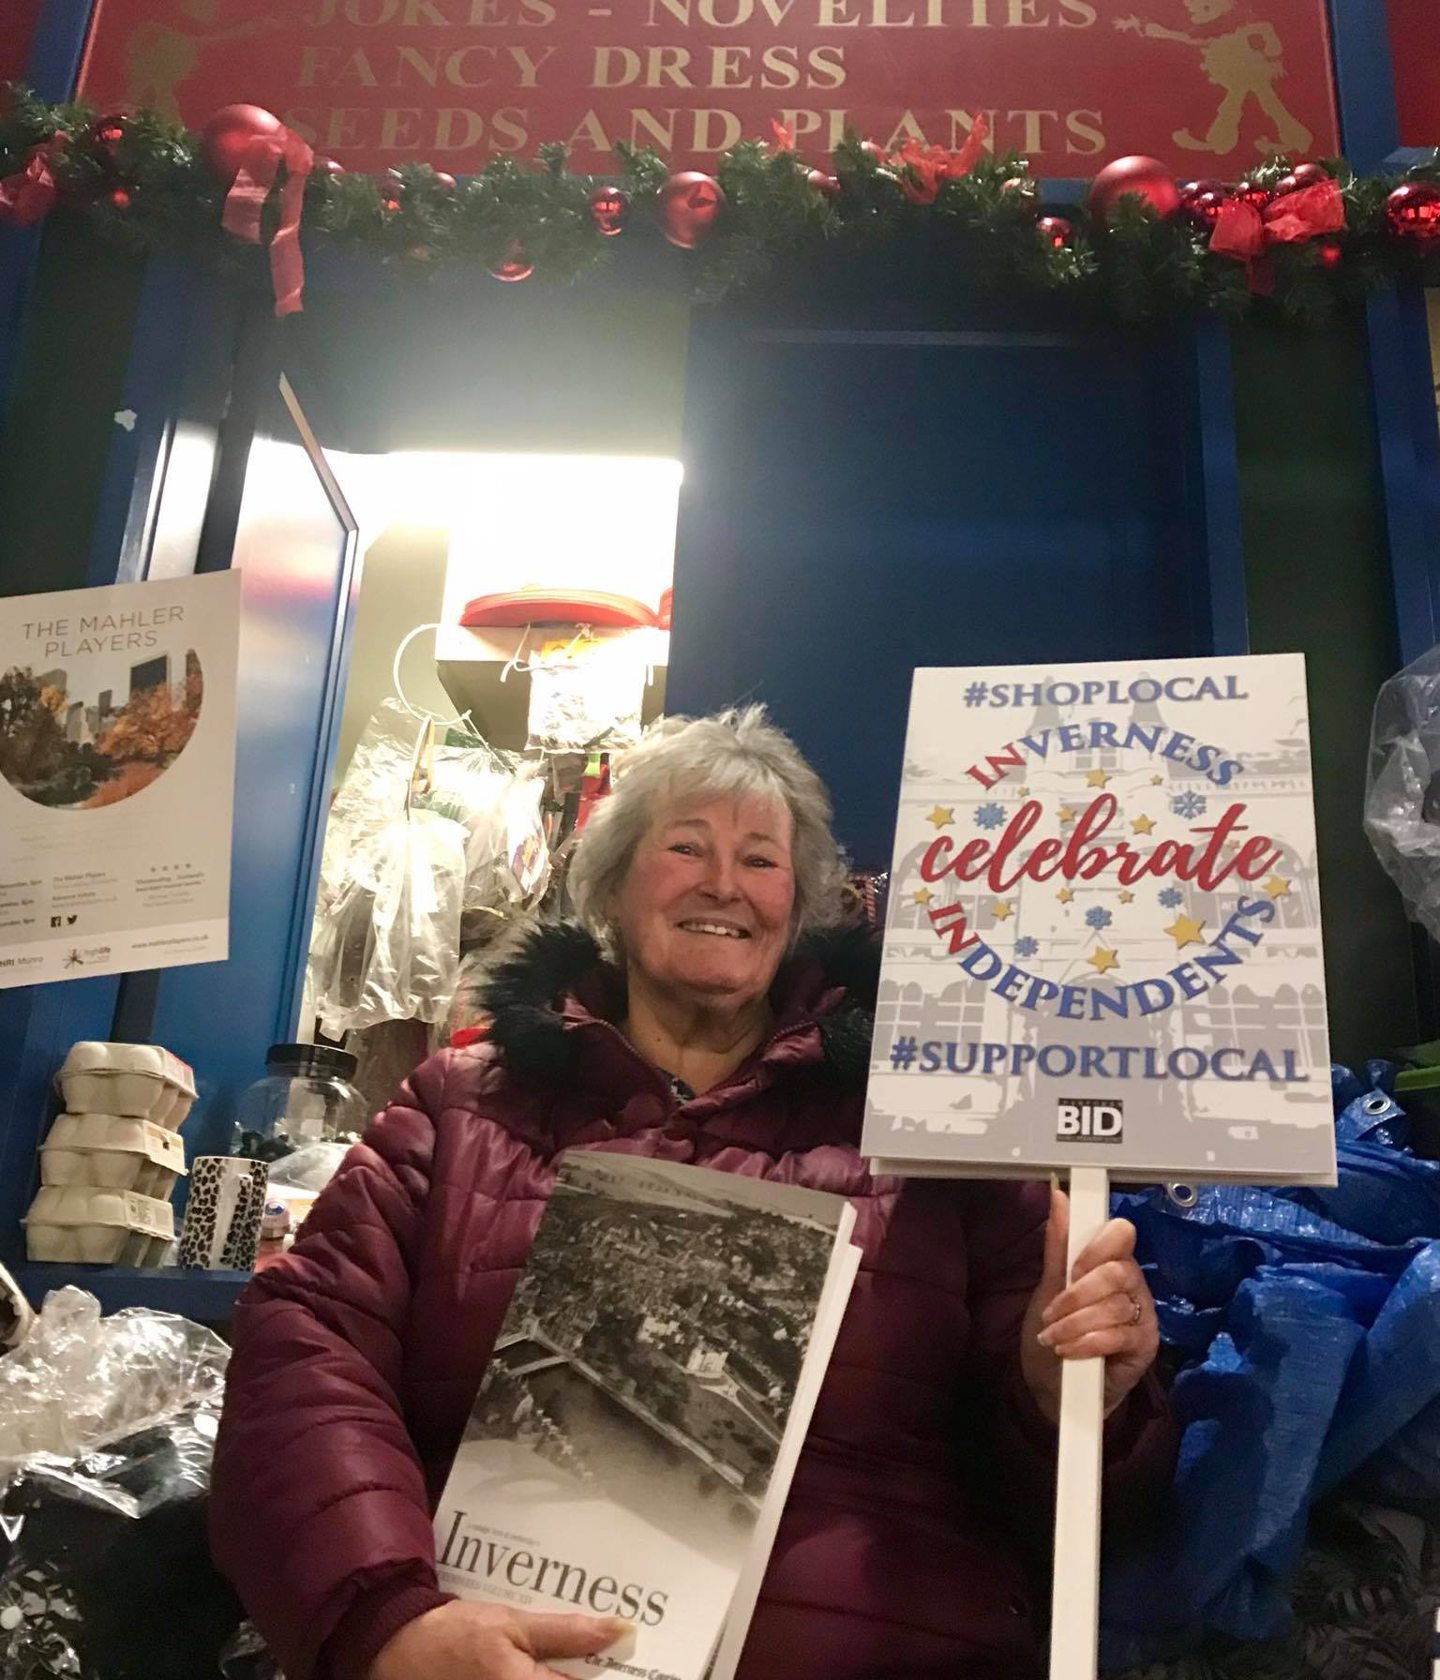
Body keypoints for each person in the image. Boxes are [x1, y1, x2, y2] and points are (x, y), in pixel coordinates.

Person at [211, 707, 1172, 1680]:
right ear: (613, 882)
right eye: (685, 846)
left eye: (761, 859)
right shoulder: (460, 1104)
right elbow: (306, 1353)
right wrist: (387, 1623)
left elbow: (1081, 1508)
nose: (723, 883)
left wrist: (1070, 1394)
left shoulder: (932, 1127)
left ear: (798, 905)